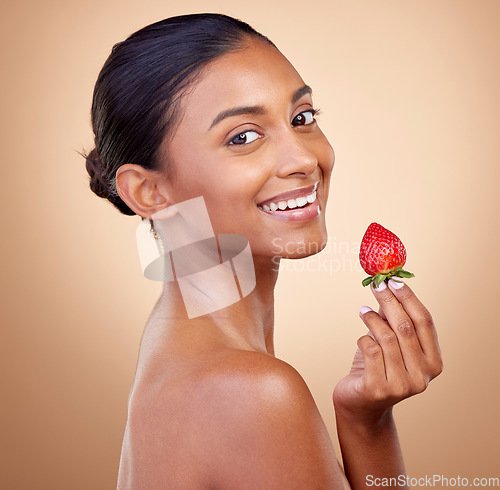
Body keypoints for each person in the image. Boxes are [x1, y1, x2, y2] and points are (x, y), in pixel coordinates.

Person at [84, 13, 443, 489]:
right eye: (243, 137)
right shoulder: (250, 392)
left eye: (302, 118)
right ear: (149, 192)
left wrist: (364, 419)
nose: (303, 159)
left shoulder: (171, 349)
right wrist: (369, 431)